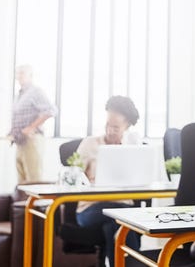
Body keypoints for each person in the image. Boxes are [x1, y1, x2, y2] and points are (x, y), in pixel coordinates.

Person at [74, 95, 142, 267]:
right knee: (118, 218)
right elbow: (72, 176)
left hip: (123, 207)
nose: (110, 130)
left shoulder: (133, 148)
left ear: (126, 126)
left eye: (116, 127)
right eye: (108, 125)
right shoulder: (90, 144)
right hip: (90, 209)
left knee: (114, 222)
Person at [10, 64, 57, 183]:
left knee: (33, 181)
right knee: (21, 183)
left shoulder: (35, 91)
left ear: (30, 75)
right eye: (18, 73)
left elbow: (51, 110)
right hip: (19, 142)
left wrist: (31, 127)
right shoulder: (19, 95)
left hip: (32, 141)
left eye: (22, 73)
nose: (19, 76)